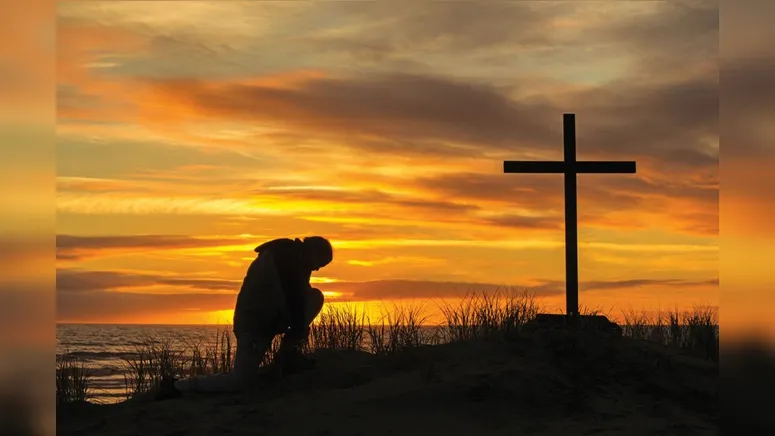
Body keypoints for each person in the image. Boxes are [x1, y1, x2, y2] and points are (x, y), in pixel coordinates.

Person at [162, 236, 333, 397]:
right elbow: (291, 298)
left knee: (315, 297)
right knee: (240, 381)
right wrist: (298, 330)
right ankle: (178, 386)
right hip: (254, 326)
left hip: (270, 319)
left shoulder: (295, 260)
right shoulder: (285, 259)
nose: (317, 269)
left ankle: (286, 358)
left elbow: (297, 299)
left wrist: (297, 332)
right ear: (314, 252)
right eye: (320, 264)